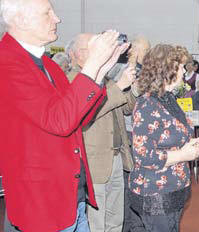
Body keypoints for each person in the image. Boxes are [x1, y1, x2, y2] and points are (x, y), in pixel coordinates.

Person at [0, 0, 124, 230]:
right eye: (47, 13)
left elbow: (79, 119)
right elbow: (59, 121)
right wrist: (93, 62)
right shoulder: (6, 61)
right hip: (43, 205)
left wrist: (101, 70)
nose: (57, 19)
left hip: (71, 199)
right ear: (19, 20)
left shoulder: (48, 64)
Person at [128, 44, 199, 231]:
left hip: (174, 188)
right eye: (180, 66)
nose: (184, 70)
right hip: (156, 193)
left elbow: (173, 138)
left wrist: (191, 143)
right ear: (166, 69)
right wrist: (184, 155)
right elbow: (143, 156)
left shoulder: (168, 98)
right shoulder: (147, 104)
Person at [66, 33, 137, 232]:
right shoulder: (72, 80)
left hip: (115, 155)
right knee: (96, 221)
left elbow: (125, 108)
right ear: (75, 55)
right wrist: (119, 86)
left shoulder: (103, 77)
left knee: (116, 217)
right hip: (94, 161)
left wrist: (134, 88)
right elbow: (88, 113)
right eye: (92, 48)